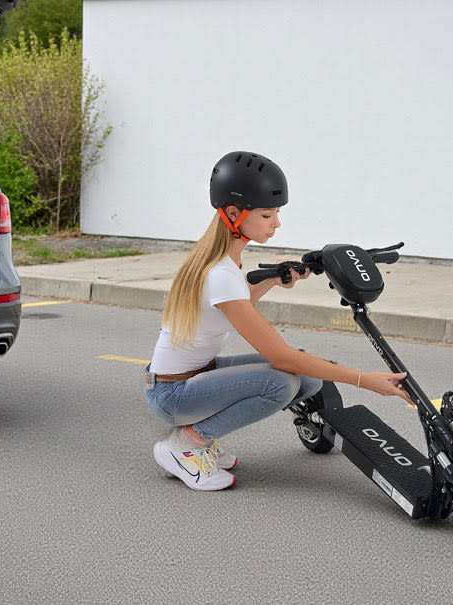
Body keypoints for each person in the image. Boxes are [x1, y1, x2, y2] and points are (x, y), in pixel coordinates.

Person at [145, 151, 413, 491]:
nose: (276, 223)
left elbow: (233, 306)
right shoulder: (221, 273)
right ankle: (187, 444)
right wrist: (364, 380)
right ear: (233, 214)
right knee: (281, 382)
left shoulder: (225, 261)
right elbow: (281, 357)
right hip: (174, 393)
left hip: (194, 377)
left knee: (308, 379)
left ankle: (200, 437)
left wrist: (273, 279)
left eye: (277, 214)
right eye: (267, 214)